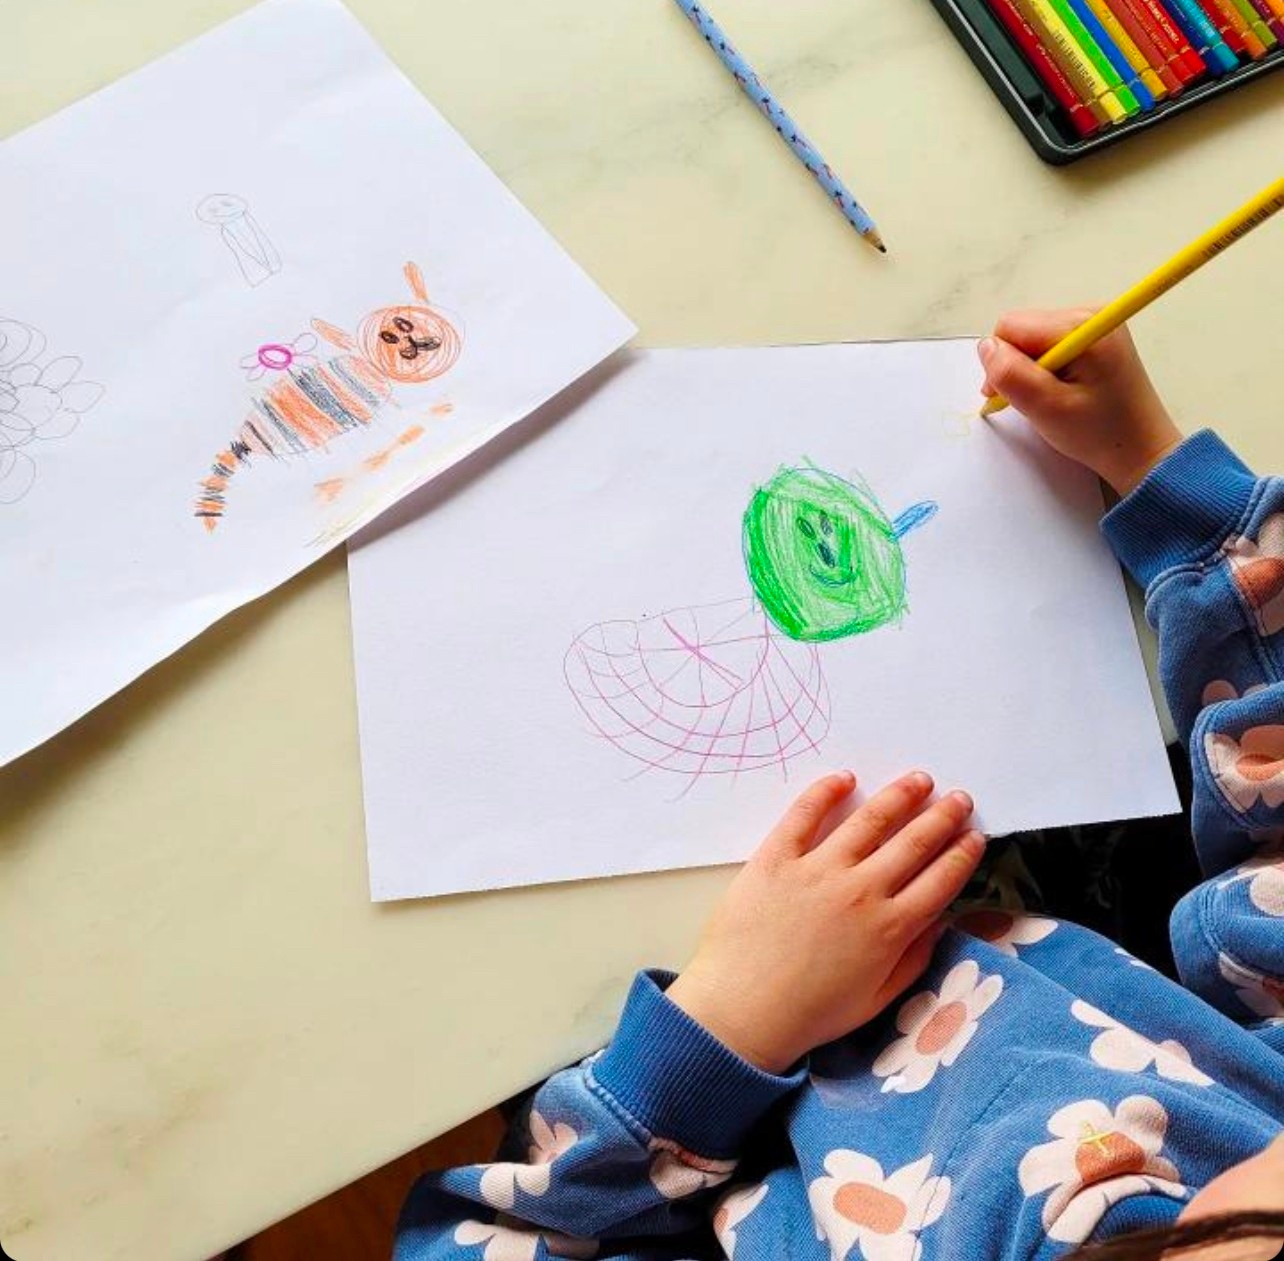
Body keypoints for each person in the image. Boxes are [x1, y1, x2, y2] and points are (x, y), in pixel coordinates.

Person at [396, 311, 1284, 1261]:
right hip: (992, 904)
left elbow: (479, 1244)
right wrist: (1167, 487)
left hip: (650, 1092)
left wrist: (726, 1026)